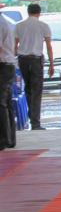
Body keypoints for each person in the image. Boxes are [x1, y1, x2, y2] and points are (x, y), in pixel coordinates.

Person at [14, 4, 53, 130]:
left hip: (23, 60)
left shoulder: (19, 25)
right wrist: (51, 64)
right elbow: (48, 46)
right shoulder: (43, 26)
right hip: (36, 61)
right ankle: (35, 123)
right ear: (39, 13)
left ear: (28, 12)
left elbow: (15, 45)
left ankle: (32, 118)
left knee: (28, 90)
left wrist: (16, 56)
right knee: (36, 91)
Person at [0, 13, 16, 150]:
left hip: (3, 66)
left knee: (1, 103)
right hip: (8, 64)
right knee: (7, 103)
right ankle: (10, 139)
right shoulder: (7, 21)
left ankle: (3, 140)